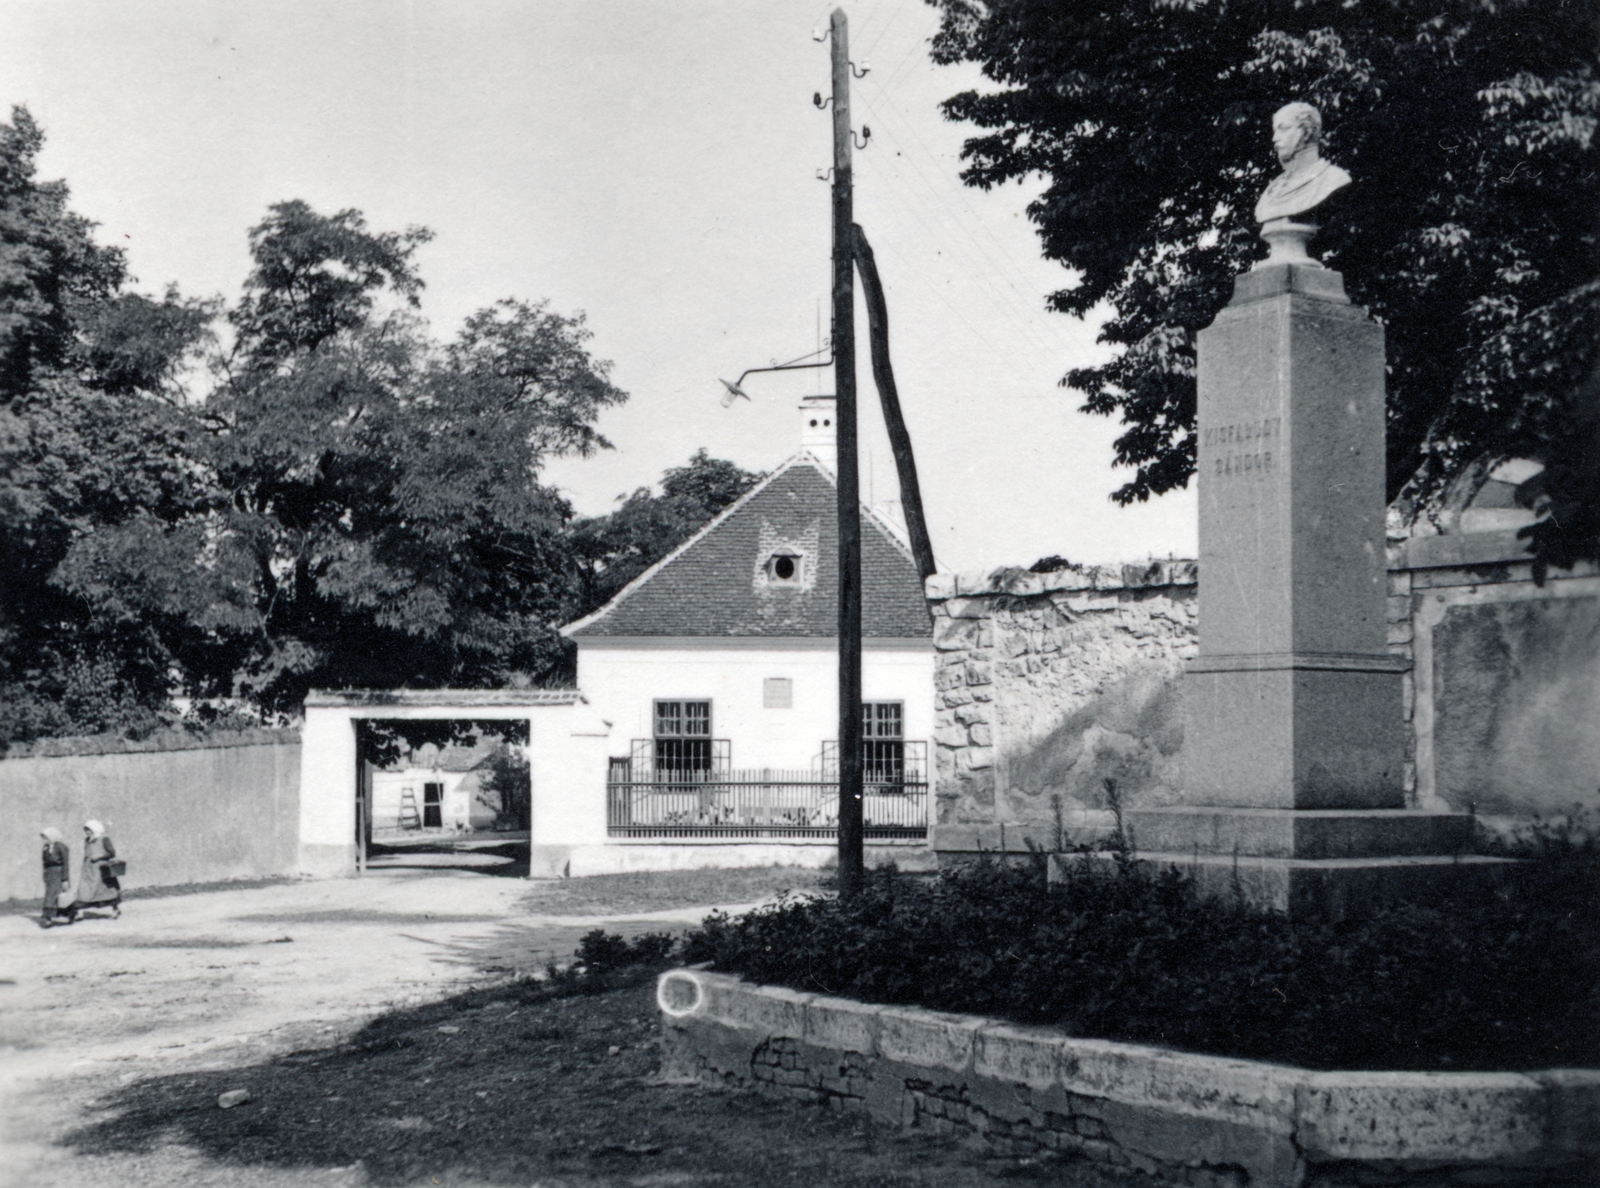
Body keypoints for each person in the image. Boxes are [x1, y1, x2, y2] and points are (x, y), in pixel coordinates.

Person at [1254, 102, 1352, 225]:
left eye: (1283, 128)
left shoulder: (1334, 178)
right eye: (1275, 131)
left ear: (1306, 132)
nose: (1274, 138)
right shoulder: (1272, 190)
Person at [75, 819, 122, 918]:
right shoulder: (87, 840)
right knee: (84, 889)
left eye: (89, 830)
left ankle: (115, 909)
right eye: (86, 830)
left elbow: (112, 853)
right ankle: (79, 912)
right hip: (88, 869)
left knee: (106, 890)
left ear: (94, 829)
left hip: (101, 870)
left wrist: (100, 856)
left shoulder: (104, 839)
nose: (87, 832)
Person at [39, 828, 76, 927]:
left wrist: (65, 879)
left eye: (47, 837)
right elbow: (44, 862)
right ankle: (50, 917)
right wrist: (45, 873)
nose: (45, 840)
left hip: (59, 874)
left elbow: (65, 864)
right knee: (51, 895)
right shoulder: (46, 847)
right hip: (50, 875)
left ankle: (51, 917)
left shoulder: (61, 847)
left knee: (59, 896)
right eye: (44, 838)